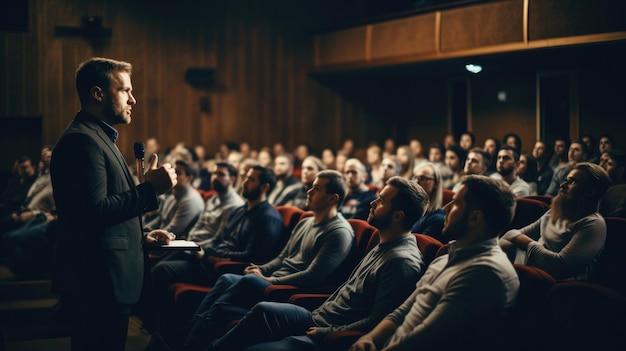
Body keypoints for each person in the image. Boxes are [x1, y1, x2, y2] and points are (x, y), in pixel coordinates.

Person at [201, 176, 429, 351]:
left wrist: (323, 332)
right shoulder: (383, 243)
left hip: (326, 333)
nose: (372, 203)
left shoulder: (401, 262)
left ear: (398, 216)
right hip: (317, 315)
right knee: (256, 310)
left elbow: (376, 322)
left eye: (381, 202)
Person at [49, 57, 177, 351]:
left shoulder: (97, 137)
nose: (134, 98)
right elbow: (93, 213)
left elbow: (95, 215)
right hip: (99, 281)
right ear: (98, 94)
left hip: (104, 277)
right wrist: (151, 190)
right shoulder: (84, 141)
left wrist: (140, 236)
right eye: (125, 91)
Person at [180, 170, 355, 351]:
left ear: (332, 199)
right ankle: (192, 336)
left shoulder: (338, 232)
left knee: (242, 284)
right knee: (226, 280)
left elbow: (312, 277)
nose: (309, 192)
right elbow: (282, 258)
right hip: (273, 281)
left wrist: (268, 280)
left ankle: (194, 342)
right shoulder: (305, 222)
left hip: (288, 289)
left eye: (316, 189)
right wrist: (261, 269)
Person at [350, 175, 519, 351]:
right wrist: (370, 338)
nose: (445, 208)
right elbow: (402, 312)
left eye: (455, 203)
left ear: (475, 218)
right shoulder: (445, 258)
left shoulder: (486, 273)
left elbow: (425, 339)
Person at [500, 162, 611, 280]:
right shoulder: (556, 212)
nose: (563, 185)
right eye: (566, 180)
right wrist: (524, 243)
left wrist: (525, 243)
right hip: (531, 271)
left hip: (558, 286)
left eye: (572, 182)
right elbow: (508, 236)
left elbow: (559, 266)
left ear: (591, 191)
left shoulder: (593, 224)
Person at [186, 162, 244, 247]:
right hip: (192, 246)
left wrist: (194, 246)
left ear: (232, 180)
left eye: (221, 174)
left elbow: (218, 239)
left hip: (204, 251)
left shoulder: (235, 205)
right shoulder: (212, 199)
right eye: (213, 173)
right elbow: (198, 225)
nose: (215, 177)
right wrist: (188, 241)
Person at [142, 160, 205, 238]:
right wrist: (144, 232)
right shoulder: (173, 195)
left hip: (173, 245)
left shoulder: (191, 200)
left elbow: (173, 230)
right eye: (173, 172)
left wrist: (149, 236)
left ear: (189, 178)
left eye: (178, 173)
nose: (173, 175)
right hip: (161, 239)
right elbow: (160, 220)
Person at [411, 162, 445, 243]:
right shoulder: (410, 209)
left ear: (436, 183)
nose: (416, 182)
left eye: (422, 178)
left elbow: (420, 247)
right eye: (415, 177)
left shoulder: (437, 219)